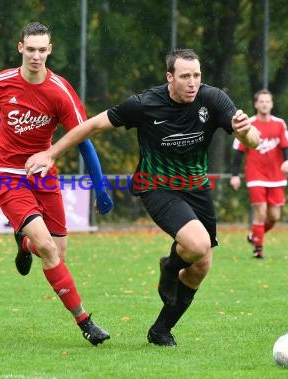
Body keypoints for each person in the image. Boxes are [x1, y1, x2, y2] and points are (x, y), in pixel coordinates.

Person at [25, 48, 261, 347]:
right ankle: (171, 267)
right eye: (185, 76)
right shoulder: (146, 104)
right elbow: (93, 125)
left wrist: (245, 132)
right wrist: (50, 152)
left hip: (197, 188)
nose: (192, 83)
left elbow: (252, 140)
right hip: (157, 186)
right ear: (169, 77)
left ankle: (161, 329)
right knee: (197, 244)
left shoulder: (212, 99)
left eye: (197, 76)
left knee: (201, 264)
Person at [0, 22, 112, 346]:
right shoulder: (0, 83)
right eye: (31, 49)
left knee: (56, 252)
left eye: (42, 50)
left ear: (50, 50)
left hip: (43, 175)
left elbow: (84, 140)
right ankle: (85, 322)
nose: (36, 56)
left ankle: (23, 242)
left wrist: (100, 187)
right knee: (47, 247)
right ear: (20, 48)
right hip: (6, 173)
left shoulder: (60, 91)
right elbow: (1, 119)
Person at [230, 89, 288, 259]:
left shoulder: (280, 124)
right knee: (261, 212)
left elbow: (286, 146)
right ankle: (258, 249)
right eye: (261, 101)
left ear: (272, 104)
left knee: (274, 217)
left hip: (276, 177)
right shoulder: (247, 124)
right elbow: (238, 152)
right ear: (256, 104)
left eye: (267, 101)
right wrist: (234, 175)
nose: (264, 104)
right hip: (255, 175)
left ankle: (254, 236)